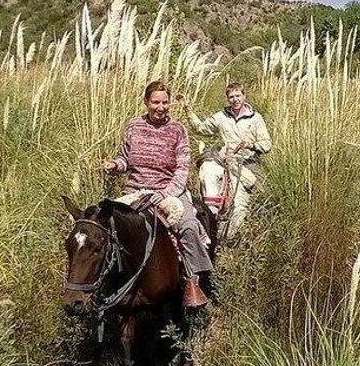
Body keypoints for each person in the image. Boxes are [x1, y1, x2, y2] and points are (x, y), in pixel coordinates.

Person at [102, 80, 213, 293]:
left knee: (188, 226)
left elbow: (182, 169)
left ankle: (193, 282)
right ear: (146, 102)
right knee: (106, 224)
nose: (161, 108)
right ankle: (107, 285)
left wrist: (165, 193)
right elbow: (125, 159)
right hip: (135, 191)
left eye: (165, 102)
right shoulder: (133, 127)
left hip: (169, 191)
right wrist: (114, 165)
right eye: (155, 102)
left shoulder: (178, 130)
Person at [181, 82, 271, 236]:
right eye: (231, 97)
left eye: (238, 96)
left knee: (258, 192)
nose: (235, 99)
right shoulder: (220, 117)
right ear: (227, 99)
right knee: (209, 177)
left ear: (244, 96)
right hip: (226, 161)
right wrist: (188, 111)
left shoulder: (255, 118)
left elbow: (267, 144)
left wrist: (252, 144)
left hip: (247, 163)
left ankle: (246, 229)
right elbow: (201, 128)